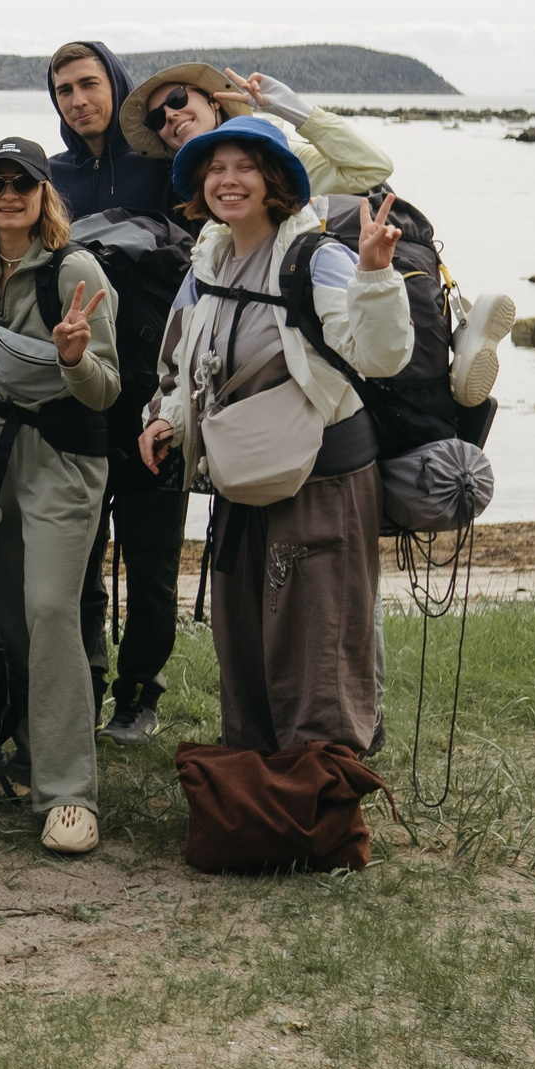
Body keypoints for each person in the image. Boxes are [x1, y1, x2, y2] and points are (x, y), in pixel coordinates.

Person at [138, 117, 411, 757]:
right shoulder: (207, 260)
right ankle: (255, 772)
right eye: (215, 169)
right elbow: (180, 359)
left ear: (277, 180)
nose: (228, 181)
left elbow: (380, 356)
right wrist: (165, 418)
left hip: (323, 478)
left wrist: (375, 276)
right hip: (243, 473)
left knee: (318, 638)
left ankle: (324, 780)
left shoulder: (316, 257)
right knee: (245, 637)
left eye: (245, 167)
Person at [0, 136, 120, 856]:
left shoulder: (75, 270)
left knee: (50, 609)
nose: (9, 194)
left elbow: (106, 388)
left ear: (46, 194)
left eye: (23, 182)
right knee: (14, 619)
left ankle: (70, 794)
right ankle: (32, 754)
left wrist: (75, 359)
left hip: (64, 458)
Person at [43, 42, 186, 739]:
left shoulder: (163, 168)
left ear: (116, 85)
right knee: (80, 556)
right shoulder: (52, 176)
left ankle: (139, 694)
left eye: (89, 83)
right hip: (81, 388)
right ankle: (87, 685)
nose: (78, 100)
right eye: (63, 90)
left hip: (159, 390)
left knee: (152, 558)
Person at [125, 63, 395, 197]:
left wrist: (294, 110)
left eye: (177, 99)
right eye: (156, 119)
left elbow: (372, 168)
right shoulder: (183, 188)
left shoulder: (277, 155)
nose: (170, 115)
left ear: (214, 101)